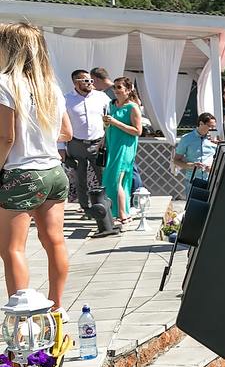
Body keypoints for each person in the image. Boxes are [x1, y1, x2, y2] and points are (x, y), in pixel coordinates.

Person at [0, 22, 73, 312]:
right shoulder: (50, 86)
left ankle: (23, 318)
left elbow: (6, 137)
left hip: (21, 172)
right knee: (55, 242)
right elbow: (66, 132)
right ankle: (57, 309)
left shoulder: (5, 83)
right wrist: (40, 134)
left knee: (12, 248)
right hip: (54, 170)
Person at [64, 69, 111, 211]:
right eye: (86, 80)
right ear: (75, 82)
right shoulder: (66, 99)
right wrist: (61, 148)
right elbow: (59, 124)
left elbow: (113, 112)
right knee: (80, 179)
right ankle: (85, 207)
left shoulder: (101, 97)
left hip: (98, 143)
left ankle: (105, 206)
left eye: (91, 80)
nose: (90, 83)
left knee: (104, 176)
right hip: (76, 143)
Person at [102, 76, 142, 223]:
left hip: (125, 148)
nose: (116, 90)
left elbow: (138, 131)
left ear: (128, 89)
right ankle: (121, 212)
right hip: (112, 145)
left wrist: (115, 122)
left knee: (116, 180)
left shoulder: (132, 107)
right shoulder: (111, 105)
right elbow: (108, 127)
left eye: (119, 87)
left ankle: (122, 215)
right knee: (112, 180)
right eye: (115, 87)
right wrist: (105, 132)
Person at [173, 112, 218, 196]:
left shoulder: (215, 140)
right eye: (209, 126)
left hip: (212, 180)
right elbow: (176, 160)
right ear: (201, 124)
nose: (212, 130)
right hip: (193, 180)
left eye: (214, 127)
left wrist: (212, 168)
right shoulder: (186, 139)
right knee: (193, 204)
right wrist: (191, 165)